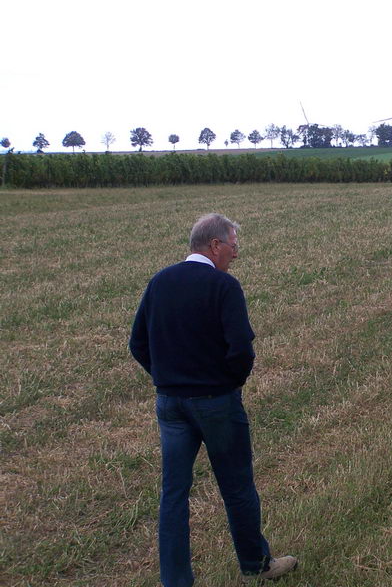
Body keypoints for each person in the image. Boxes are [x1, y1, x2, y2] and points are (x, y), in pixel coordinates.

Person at [129, 213, 296, 586]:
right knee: (237, 486)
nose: (236, 255)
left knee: (173, 493)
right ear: (215, 245)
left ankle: (175, 581)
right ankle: (256, 564)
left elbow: (137, 343)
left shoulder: (160, 281)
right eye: (234, 247)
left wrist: (165, 378)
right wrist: (230, 384)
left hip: (169, 404)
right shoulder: (224, 286)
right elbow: (241, 350)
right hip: (216, 402)